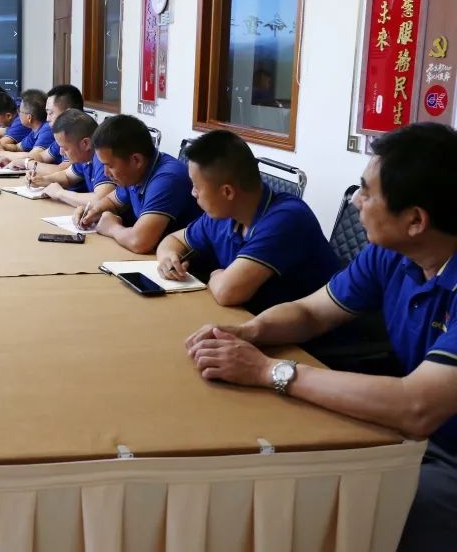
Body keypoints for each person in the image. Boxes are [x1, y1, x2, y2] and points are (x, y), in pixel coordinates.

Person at [181, 123, 457, 551]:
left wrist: (269, 371)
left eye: (367, 193)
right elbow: (311, 312)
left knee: (329, 505)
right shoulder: (389, 254)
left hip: (443, 456)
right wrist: (251, 332)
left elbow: (416, 406)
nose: (356, 201)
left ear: (416, 220)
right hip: (411, 436)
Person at [155, 130, 339, 312]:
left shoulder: (287, 219)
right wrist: (168, 258)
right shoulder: (224, 214)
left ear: (227, 192)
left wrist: (215, 275)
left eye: (196, 186)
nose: (193, 193)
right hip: (251, 318)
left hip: (308, 330)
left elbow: (227, 292)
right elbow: (174, 240)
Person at [77, 114, 201, 254]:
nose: (105, 173)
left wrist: (111, 228)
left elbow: (140, 242)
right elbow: (112, 202)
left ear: (136, 160)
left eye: (110, 166)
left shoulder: (167, 179)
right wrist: (92, 212)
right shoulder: (134, 173)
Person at [29, 110, 115, 208]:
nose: (61, 152)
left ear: (85, 144)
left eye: (65, 148)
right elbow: (67, 176)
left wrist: (60, 193)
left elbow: (102, 200)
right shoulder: (84, 156)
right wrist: (42, 180)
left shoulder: (102, 158)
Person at [0, 90, 54, 167]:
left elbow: (33, 156)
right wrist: (0, 146)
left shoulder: (47, 129)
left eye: (20, 111)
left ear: (29, 117)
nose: (18, 114)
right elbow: (17, 147)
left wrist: (1, 153)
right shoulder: (35, 130)